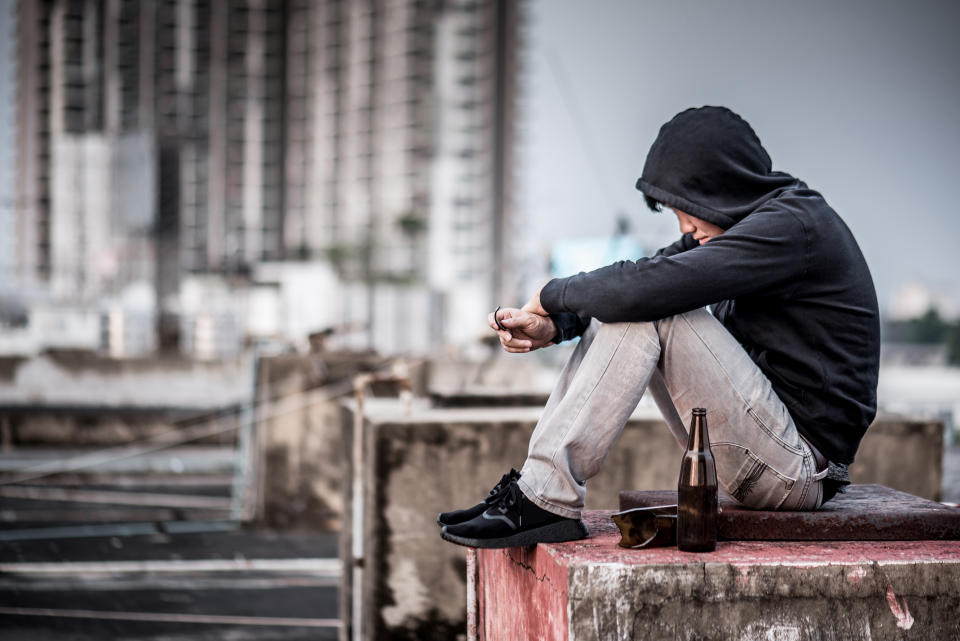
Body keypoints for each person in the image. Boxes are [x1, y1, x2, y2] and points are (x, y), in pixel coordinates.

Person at [438, 106, 880, 549]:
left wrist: (550, 294)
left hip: (796, 470)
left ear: (723, 186)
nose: (686, 226)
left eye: (688, 210)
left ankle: (544, 497)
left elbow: (645, 290)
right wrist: (557, 325)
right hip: (757, 454)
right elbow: (645, 274)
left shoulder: (793, 227)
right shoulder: (740, 227)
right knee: (642, 299)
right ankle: (536, 489)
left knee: (654, 306)